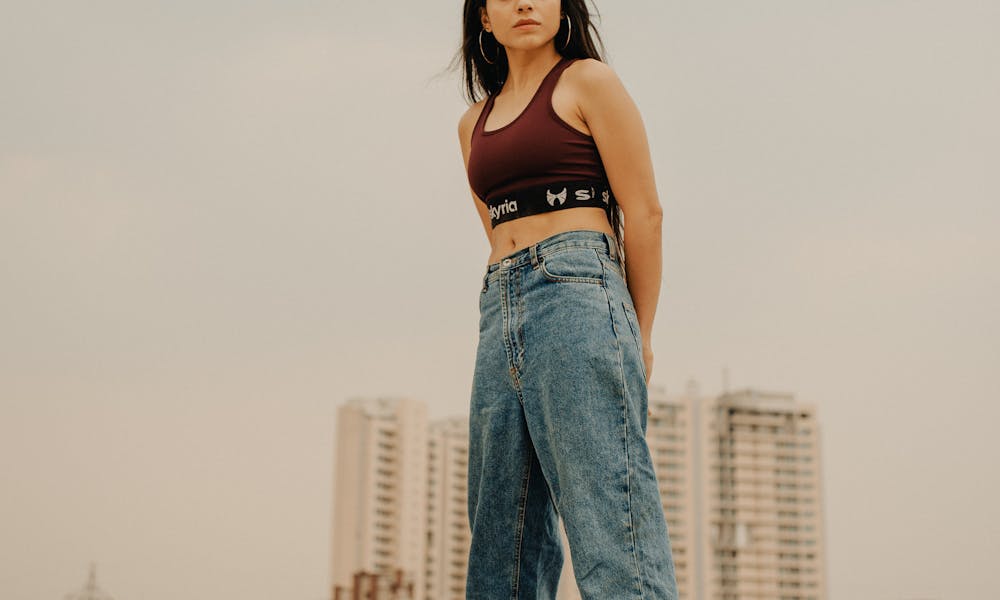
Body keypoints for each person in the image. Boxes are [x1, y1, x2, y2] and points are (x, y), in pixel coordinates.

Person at [455, 1, 678, 598]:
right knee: (501, 533)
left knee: (608, 515)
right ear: (483, 18)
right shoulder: (471, 124)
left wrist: (640, 332)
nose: (524, 2)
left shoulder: (587, 81)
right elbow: (497, 230)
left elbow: (645, 213)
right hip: (499, 303)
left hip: (576, 290)